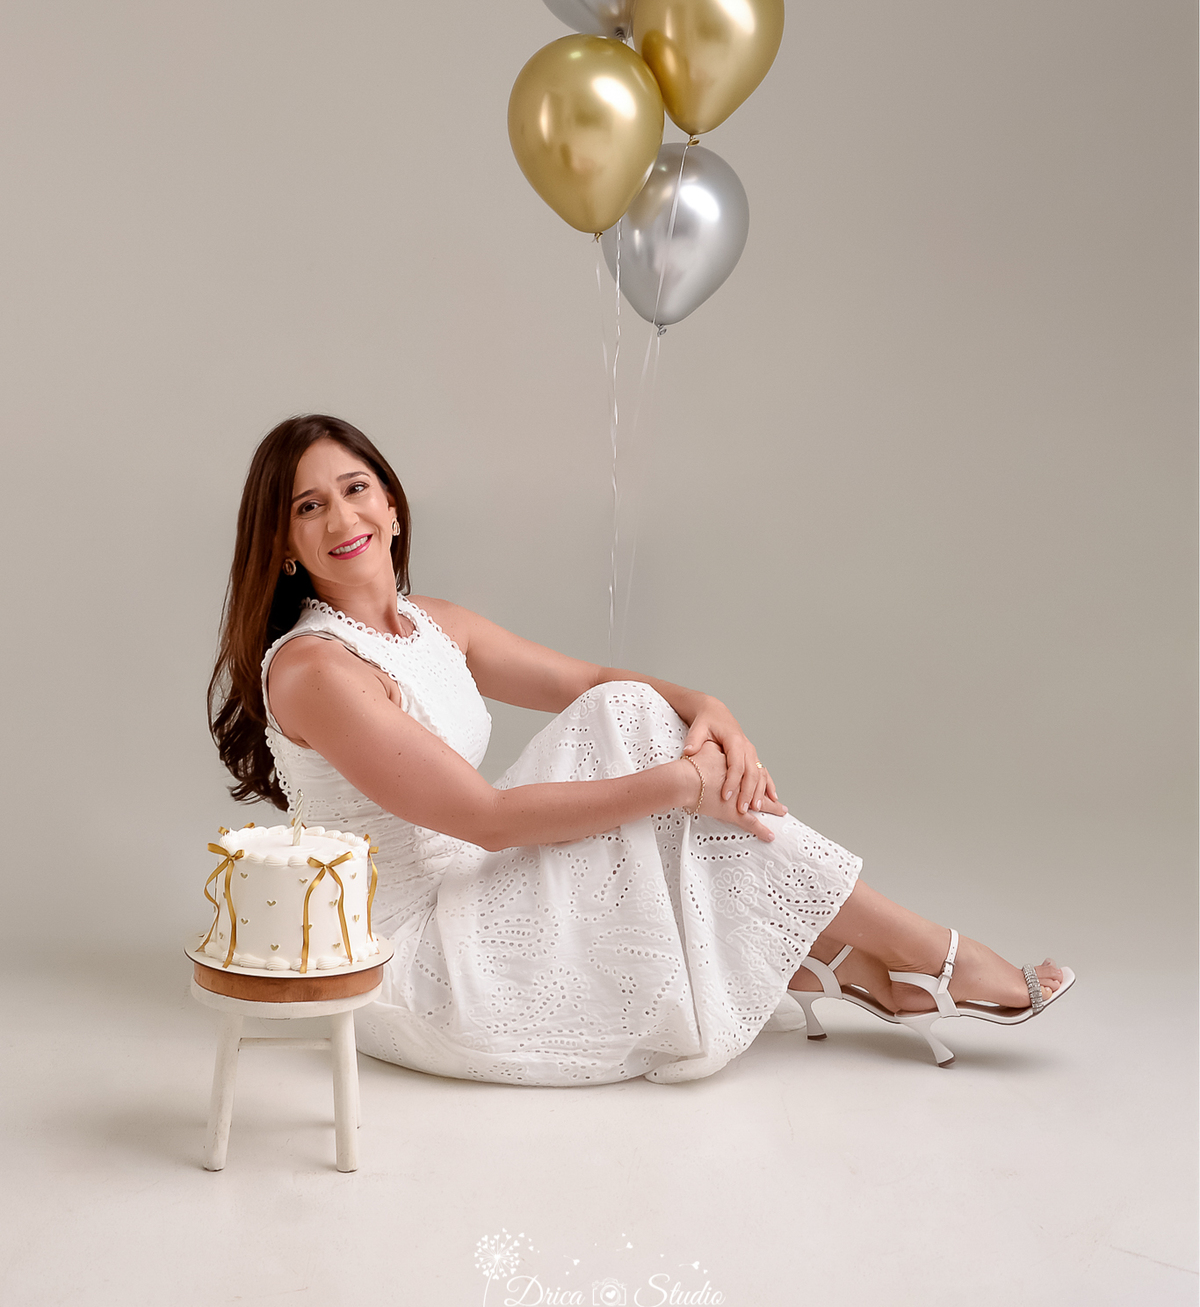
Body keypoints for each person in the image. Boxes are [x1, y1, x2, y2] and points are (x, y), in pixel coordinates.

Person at [209, 413, 1072, 1086]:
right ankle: (911, 953)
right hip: (419, 960)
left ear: (392, 504)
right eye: (308, 506)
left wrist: (710, 708)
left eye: (356, 489)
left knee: (627, 705)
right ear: (284, 546)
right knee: (639, 733)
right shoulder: (317, 668)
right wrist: (683, 784)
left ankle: (873, 956)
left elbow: (589, 679)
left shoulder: (432, 622)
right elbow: (488, 821)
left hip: (472, 896)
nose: (342, 517)